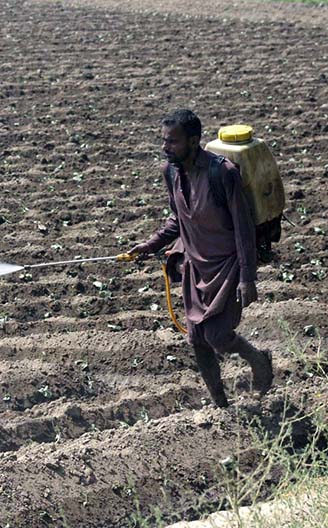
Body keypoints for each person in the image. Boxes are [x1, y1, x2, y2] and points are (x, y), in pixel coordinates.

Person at [129, 109, 272, 408]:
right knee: (196, 339)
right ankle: (220, 404)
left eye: (173, 142)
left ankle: (259, 360)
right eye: (164, 141)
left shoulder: (223, 173)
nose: (165, 148)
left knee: (218, 335)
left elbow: (244, 229)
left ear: (194, 141)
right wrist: (149, 246)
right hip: (195, 265)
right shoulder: (171, 173)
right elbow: (177, 219)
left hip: (228, 265)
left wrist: (247, 278)